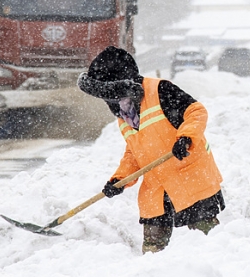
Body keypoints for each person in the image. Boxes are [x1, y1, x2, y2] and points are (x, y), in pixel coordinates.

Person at [78, 46, 225, 253]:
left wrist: (185, 138)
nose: (108, 102)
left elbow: (196, 111)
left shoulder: (161, 90)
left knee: (209, 244)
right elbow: (134, 152)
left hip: (190, 177)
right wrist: (120, 180)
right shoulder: (123, 113)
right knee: (152, 252)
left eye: (109, 96)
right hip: (156, 187)